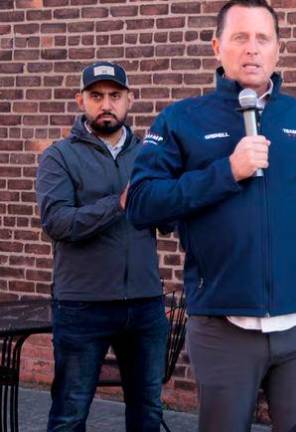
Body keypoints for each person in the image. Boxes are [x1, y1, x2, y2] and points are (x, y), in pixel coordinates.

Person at [126, 1, 296, 431]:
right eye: (239, 37)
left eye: (262, 38)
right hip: (222, 328)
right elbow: (141, 203)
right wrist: (225, 172)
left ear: (277, 50)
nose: (252, 49)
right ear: (217, 47)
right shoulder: (181, 120)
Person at [36, 61, 168, 432]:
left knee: (147, 413)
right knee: (69, 414)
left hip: (144, 305)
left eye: (114, 96)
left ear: (129, 100)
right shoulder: (59, 156)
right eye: (96, 96)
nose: (105, 104)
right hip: (82, 306)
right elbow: (58, 223)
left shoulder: (150, 156)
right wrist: (120, 202)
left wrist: (174, 198)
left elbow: (168, 221)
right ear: (81, 100)